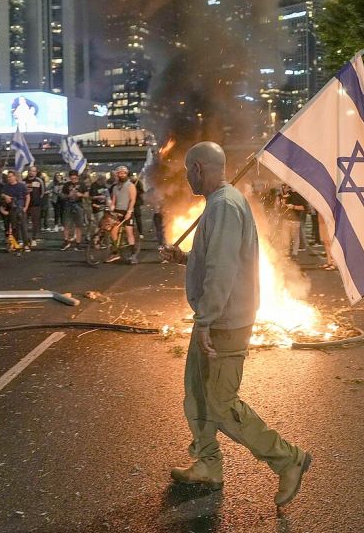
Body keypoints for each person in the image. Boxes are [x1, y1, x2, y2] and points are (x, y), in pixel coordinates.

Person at [159, 142, 311, 509]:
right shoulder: (219, 203)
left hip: (225, 320)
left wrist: (207, 320)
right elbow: (211, 257)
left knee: (222, 404)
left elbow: (222, 270)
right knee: (196, 393)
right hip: (215, 318)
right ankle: (208, 464)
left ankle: (287, 458)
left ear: (198, 168)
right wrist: (184, 258)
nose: (185, 177)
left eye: (187, 171)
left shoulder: (224, 205)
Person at [109, 165, 139, 263]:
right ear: (117, 174)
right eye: (120, 173)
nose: (122, 175)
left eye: (123, 173)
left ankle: (133, 255)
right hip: (117, 212)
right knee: (113, 231)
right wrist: (111, 207)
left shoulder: (130, 185)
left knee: (129, 232)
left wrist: (129, 212)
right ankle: (116, 252)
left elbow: (132, 200)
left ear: (126, 174)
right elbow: (113, 200)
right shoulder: (115, 187)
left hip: (127, 211)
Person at [2, 170, 31, 251]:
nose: (9, 178)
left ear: (15, 177)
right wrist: (5, 196)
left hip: (20, 208)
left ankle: (26, 244)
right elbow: (2, 194)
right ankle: (14, 244)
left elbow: (28, 196)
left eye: (10, 176)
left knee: (23, 227)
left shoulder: (21, 186)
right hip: (11, 209)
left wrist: (26, 207)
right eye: (8, 177)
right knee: (14, 228)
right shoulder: (6, 186)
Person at [60, 170, 88, 250]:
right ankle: (66, 241)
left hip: (78, 205)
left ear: (77, 177)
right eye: (72, 178)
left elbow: (87, 194)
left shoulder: (82, 184)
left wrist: (81, 195)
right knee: (66, 224)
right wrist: (68, 196)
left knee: (79, 225)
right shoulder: (67, 185)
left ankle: (78, 243)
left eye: (75, 178)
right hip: (68, 205)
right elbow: (62, 195)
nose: (73, 180)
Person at [278, 184, 306, 258]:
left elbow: (303, 207)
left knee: (295, 238)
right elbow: (281, 206)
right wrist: (283, 201)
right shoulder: (287, 194)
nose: (288, 188)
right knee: (285, 238)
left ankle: (294, 253)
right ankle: (286, 253)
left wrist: (293, 207)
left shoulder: (300, 195)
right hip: (286, 219)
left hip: (295, 220)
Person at [24, 165, 45, 247]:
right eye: (30, 170)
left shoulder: (39, 181)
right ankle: (25, 239)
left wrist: (37, 200)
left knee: (35, 223)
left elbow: (42, 192)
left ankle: (34, 238)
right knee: (24, 222)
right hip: (25, 205)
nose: (31, 172)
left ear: (36, 172)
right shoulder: (23, 181)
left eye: (33, 171)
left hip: (35, 205)